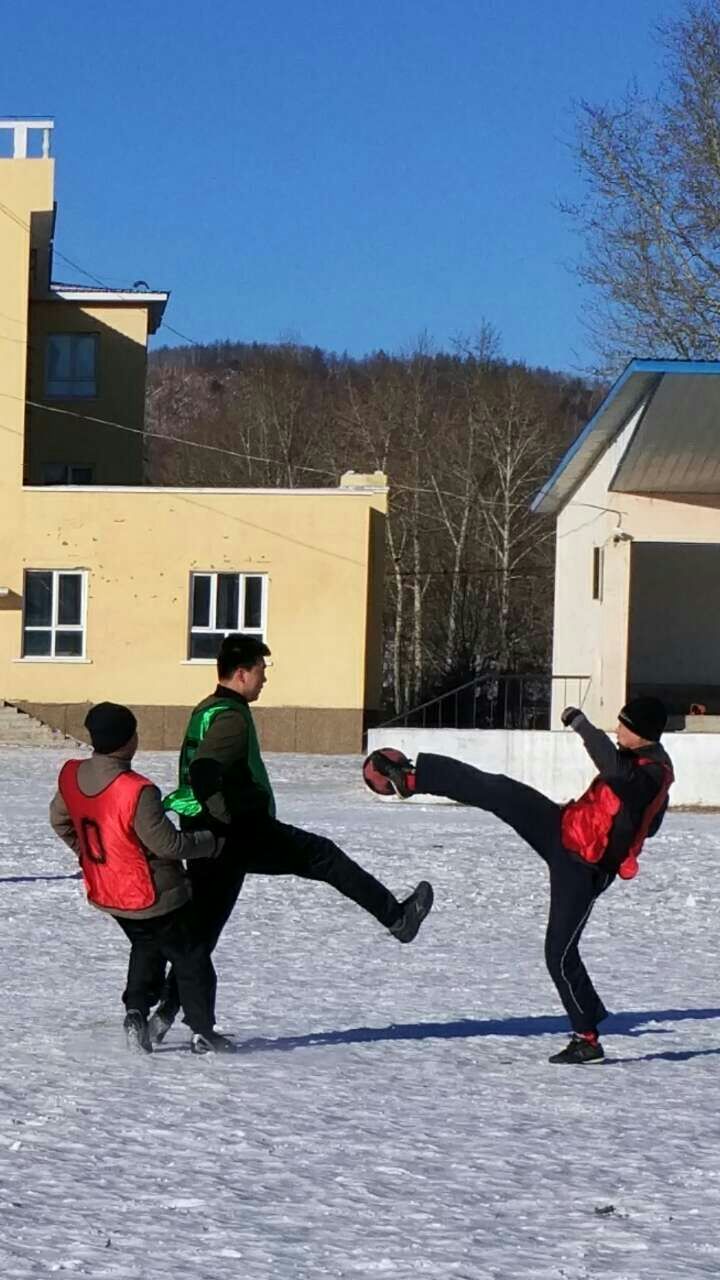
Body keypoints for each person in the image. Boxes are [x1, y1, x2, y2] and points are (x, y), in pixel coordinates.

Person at [151, 634, 434, 1043]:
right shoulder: (230, 716)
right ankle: (398, 918)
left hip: (205, 833)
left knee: (203, 928)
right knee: (323, 856)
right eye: (262, 671)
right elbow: (204, 772)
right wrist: (227, 821)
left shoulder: (207, 709)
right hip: (237, 832)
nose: (265, 679)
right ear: (242, 672)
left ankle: (165, 1012)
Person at [365, 697, 674, 1065]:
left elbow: (614, 770)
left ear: (640, 733)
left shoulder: (651, 772)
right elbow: (643, 817)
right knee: (498, 790)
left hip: (581, 868)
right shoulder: (641, 763)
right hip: (563, 828)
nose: (618, 730)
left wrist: (580, 723)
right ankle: (412, 778)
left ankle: (587, 1039)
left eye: (624, 725)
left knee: (559, 954)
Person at [49, 701, 234, 1055]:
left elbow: (60, 821)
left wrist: (92, 856)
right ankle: (202, 1030)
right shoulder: (136, 789)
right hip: (153, 892)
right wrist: (212, 842)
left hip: (109, 892)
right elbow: (168, 843)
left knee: (146, 944)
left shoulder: (72, 776)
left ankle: (136, 1011)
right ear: (129, 740)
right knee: (191, 955)